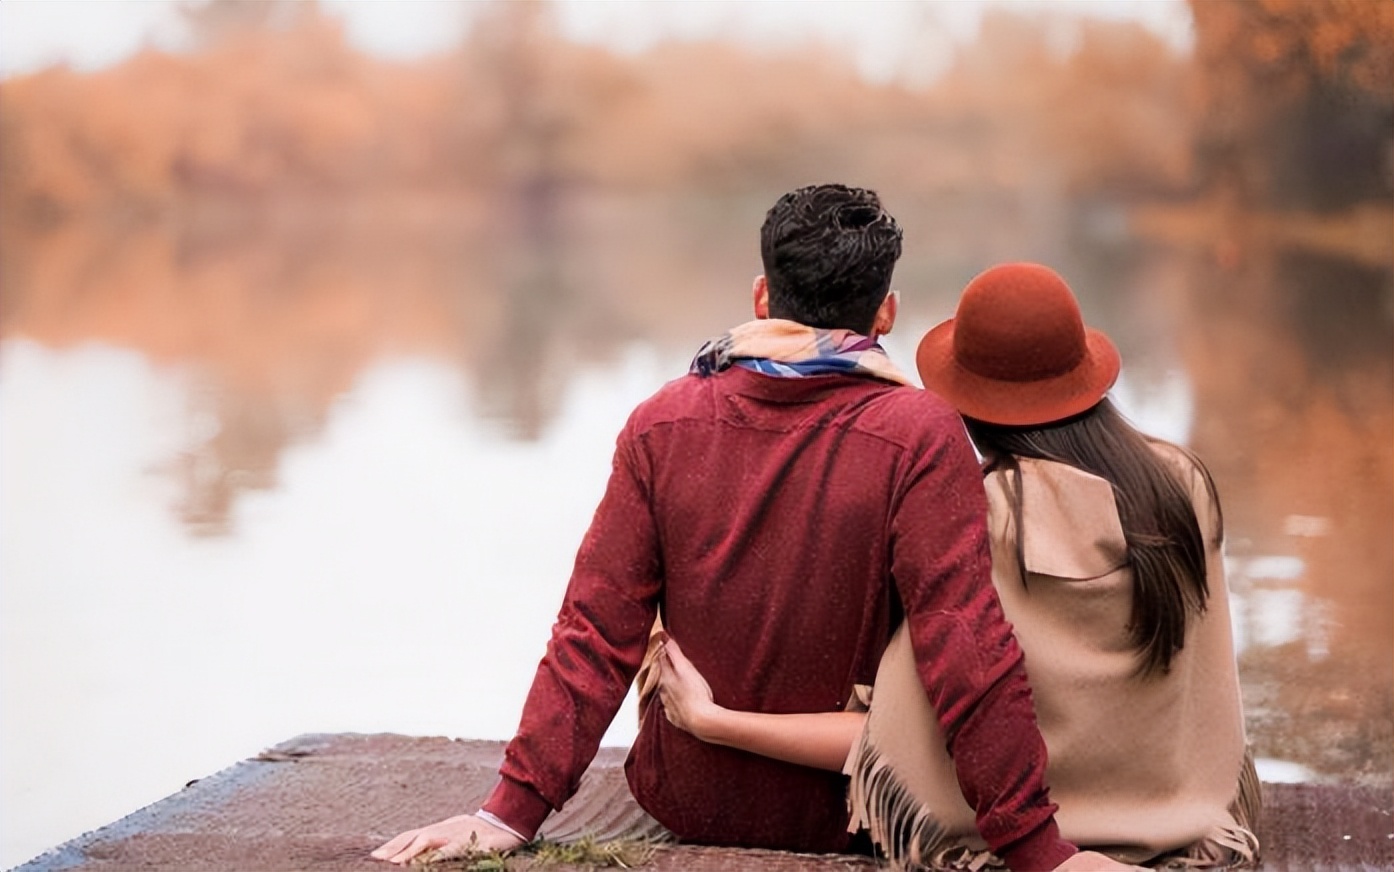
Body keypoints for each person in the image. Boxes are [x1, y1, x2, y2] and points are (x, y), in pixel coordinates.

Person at [373, 187, 1132, 871]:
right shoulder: (919, 431)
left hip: (689, 800)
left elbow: (594, 631)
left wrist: (506, 813)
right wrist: (1038, 850)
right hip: (854, 817)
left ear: (764, 295)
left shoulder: (662, 419)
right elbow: (964, 643)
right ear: (887, 312)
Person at [654, 262, 1260, 870]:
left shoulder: (977, 517)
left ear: (963, 397)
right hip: (1185, 822)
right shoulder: (1183, 489)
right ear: (1085, 371)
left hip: (1019, 835)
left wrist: (715, 722)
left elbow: (892, 745)